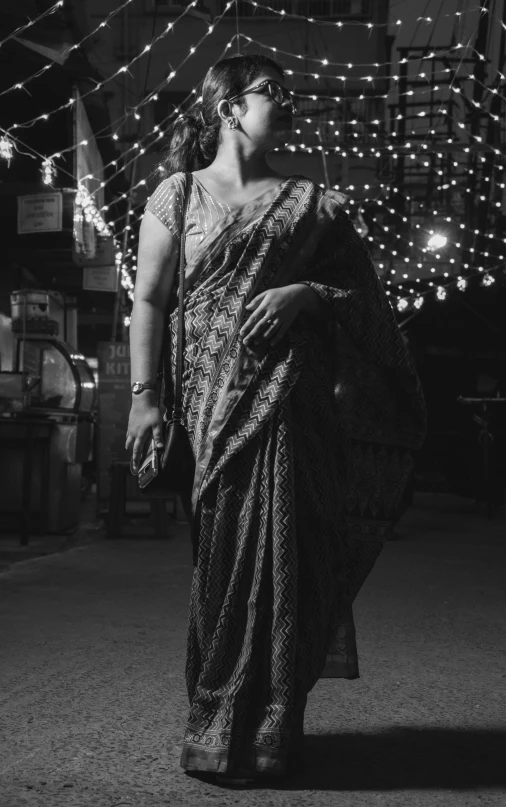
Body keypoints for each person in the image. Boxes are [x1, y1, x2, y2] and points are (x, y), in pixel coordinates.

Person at [126, 54, 426, 787]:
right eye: (270, 91)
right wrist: (144, 396)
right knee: (226, 566)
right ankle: (214, 722)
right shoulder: (177, 195)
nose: (285, 101)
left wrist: (305, 295)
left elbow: (368, 308)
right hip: (212, 414)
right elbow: (152, 302)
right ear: (228, 107)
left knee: (287, 563)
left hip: (294, 414)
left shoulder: (312, 205)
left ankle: (268, 731)